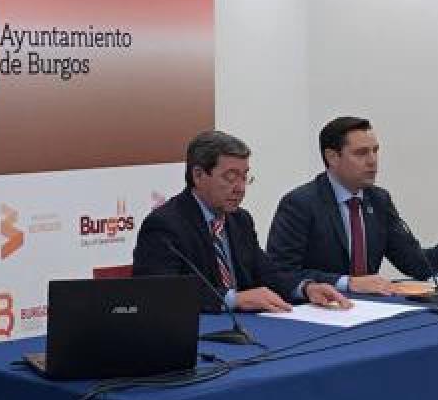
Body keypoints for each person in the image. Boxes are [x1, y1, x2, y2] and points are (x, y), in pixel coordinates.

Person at [266, 116, 438, 294]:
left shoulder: (378, 200)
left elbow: (415, 264)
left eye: (375, 151)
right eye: (361, 153)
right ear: (332, 157)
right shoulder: (300, 203)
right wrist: (346, 282)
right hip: (318, 313)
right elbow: (281, 274)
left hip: (368, 309)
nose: (373, 161)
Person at [133, 130, 350, 313]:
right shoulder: (165, 225)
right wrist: (233, 299)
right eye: (230, 177)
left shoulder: (240, 220)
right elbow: (161, 293)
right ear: (198, 175)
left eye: (244, 176)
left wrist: (305, 288)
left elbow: (268, 274)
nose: (240, 188)